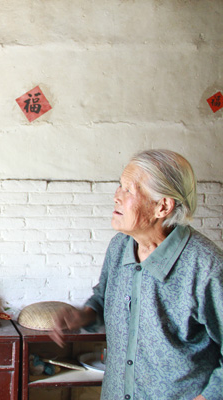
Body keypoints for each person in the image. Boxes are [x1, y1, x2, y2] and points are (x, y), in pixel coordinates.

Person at [50, 149, 223, 400]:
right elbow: (103, 299)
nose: (116, 196)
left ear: (162, 206)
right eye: (120, 186)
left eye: (128, 190)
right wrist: (83, 315)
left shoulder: (206, 267)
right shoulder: (119, 247)